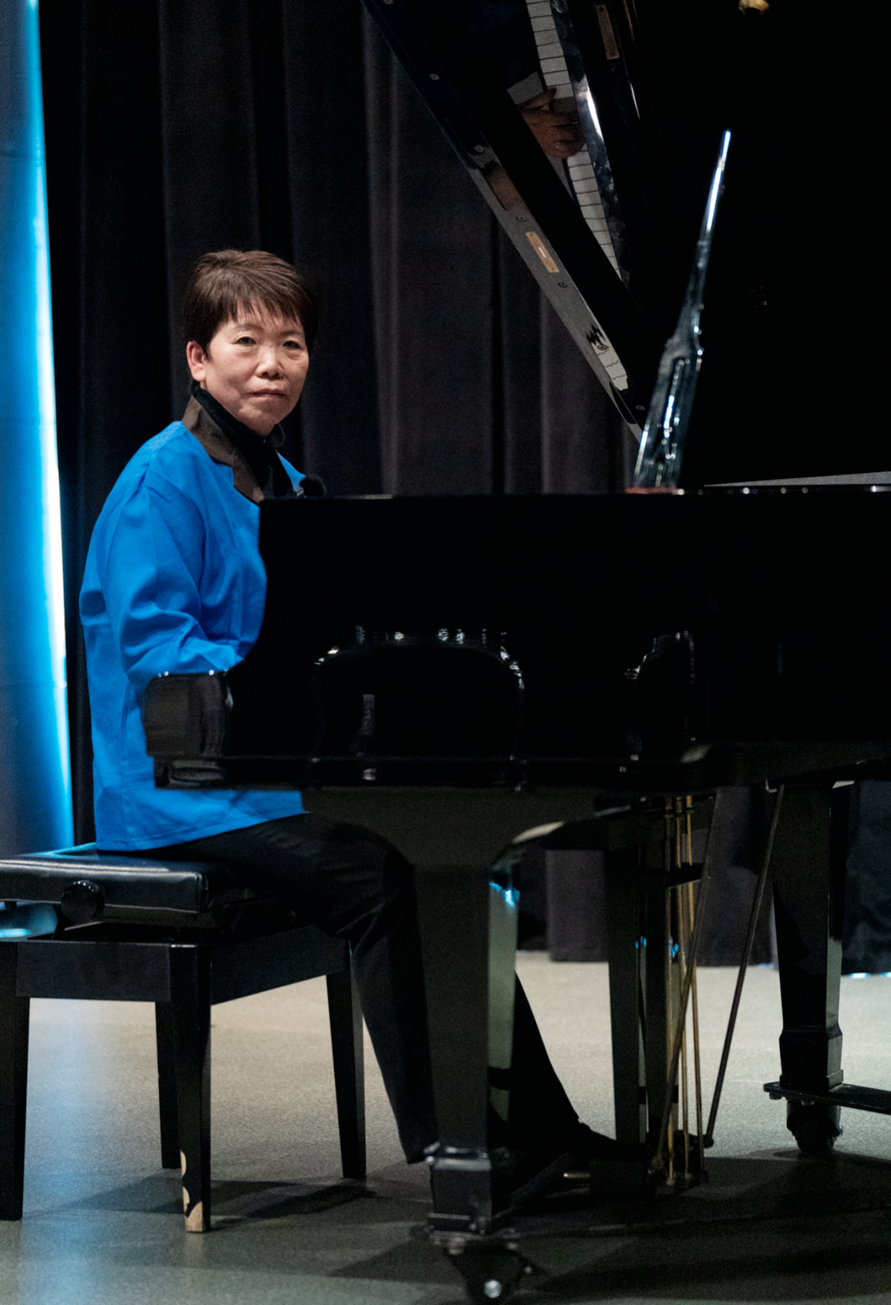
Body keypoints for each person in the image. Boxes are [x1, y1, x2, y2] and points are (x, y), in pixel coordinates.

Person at [80, 248, 597, 1181]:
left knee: (450, 857)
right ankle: (460, 1146)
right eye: (246, 342)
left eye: (291, 344)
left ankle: (539, 1129)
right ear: (198, 358)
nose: (271, 364)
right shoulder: (163, 480)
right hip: (178, 791)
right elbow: (161, 656)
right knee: (386, 873)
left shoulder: (285, 482)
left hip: (268, 776)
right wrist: (287, 686)